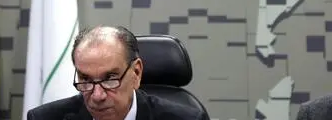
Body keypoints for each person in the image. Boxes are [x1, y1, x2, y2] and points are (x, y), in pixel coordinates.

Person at [27, 25, 209, 120]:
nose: (97, 96)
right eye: (85, 79)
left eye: (110, 78)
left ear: (136, 73)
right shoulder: (44, 118)